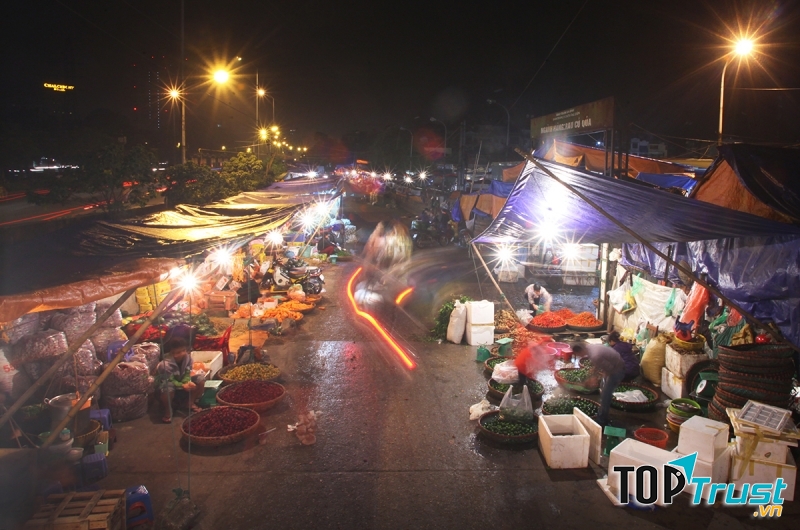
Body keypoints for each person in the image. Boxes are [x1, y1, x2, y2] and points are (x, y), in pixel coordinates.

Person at [571, 342, 626, 427]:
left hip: (617, 370)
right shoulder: (590, 347)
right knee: (604, 389)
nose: (579, 356)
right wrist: (594, 371)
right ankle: (602, 412)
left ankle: (602, 420)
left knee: (605, 394)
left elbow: (609, 369)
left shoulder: (595, 355)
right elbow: (600, 362)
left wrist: (596, 378)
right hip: (616, 363)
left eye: (578, 354)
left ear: (580, 351)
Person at [156, 338, 205, 423]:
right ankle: (168, 411)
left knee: (200, 379)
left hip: (181, 380)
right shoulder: (165, 365)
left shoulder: (188, 358)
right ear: (171, 352)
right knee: (167, 388)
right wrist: (181, 385)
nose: (178, 355)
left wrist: (187, 382)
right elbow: (169, 379)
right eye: (175, 352)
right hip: (167, 384)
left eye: (181, 351)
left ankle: (190, 403)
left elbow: (187, 372)